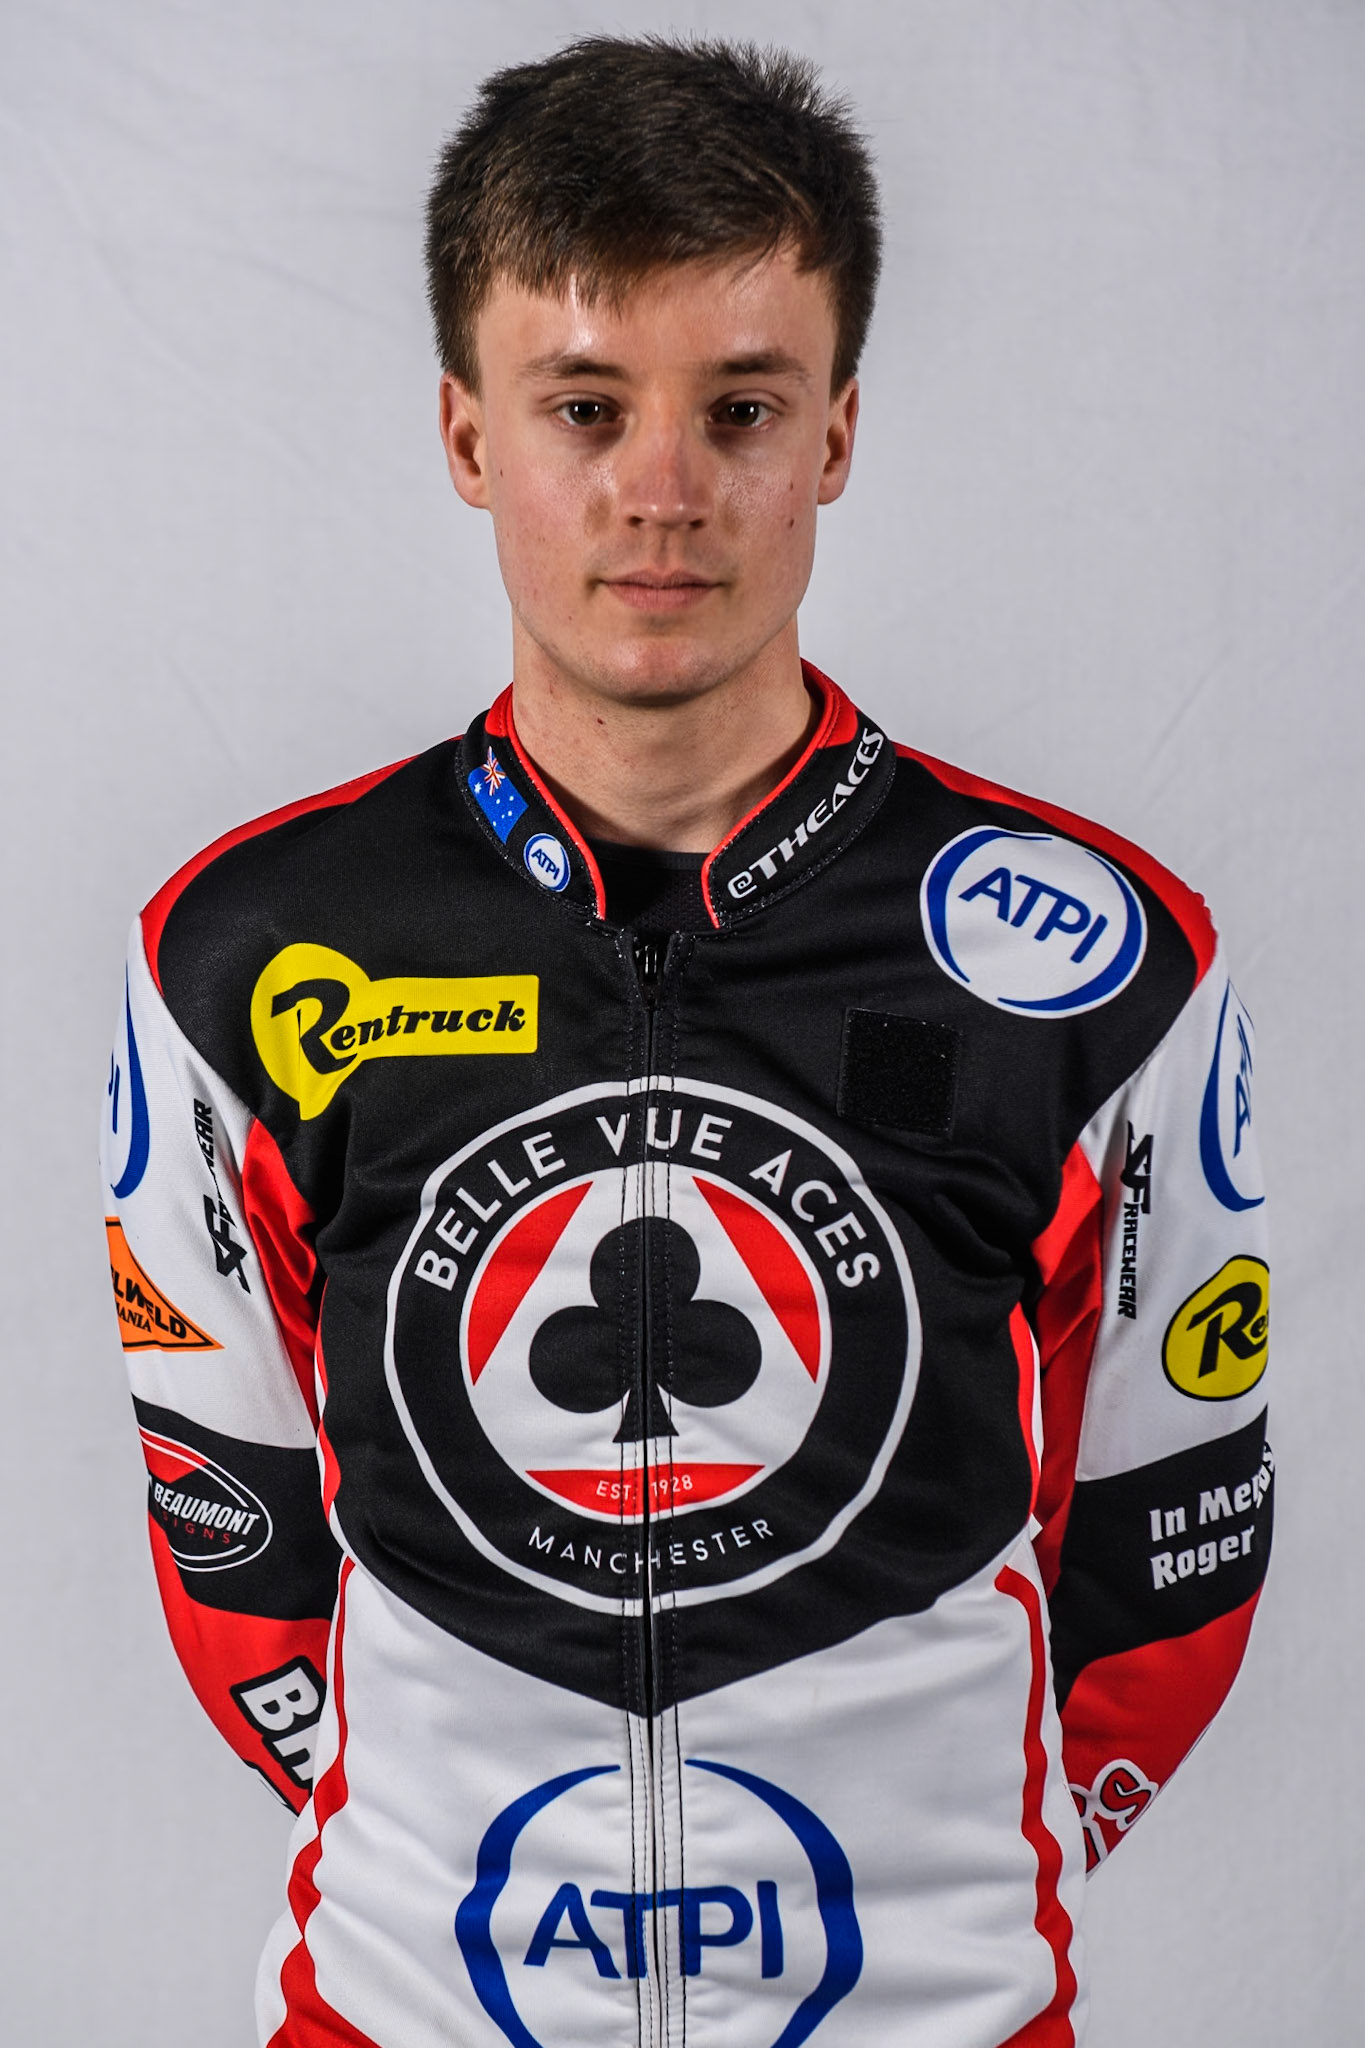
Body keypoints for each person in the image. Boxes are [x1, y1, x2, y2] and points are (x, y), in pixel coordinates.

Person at [100, 35, 1271, 2048]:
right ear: (469, 437)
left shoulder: (1096, 958)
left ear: (832, 436)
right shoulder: (241, 949)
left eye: (738, 407)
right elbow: (235, 1526)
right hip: (406, 2007)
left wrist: (934, 1884)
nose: (659, 492)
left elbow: (1166, 1543)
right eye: (582, 408)